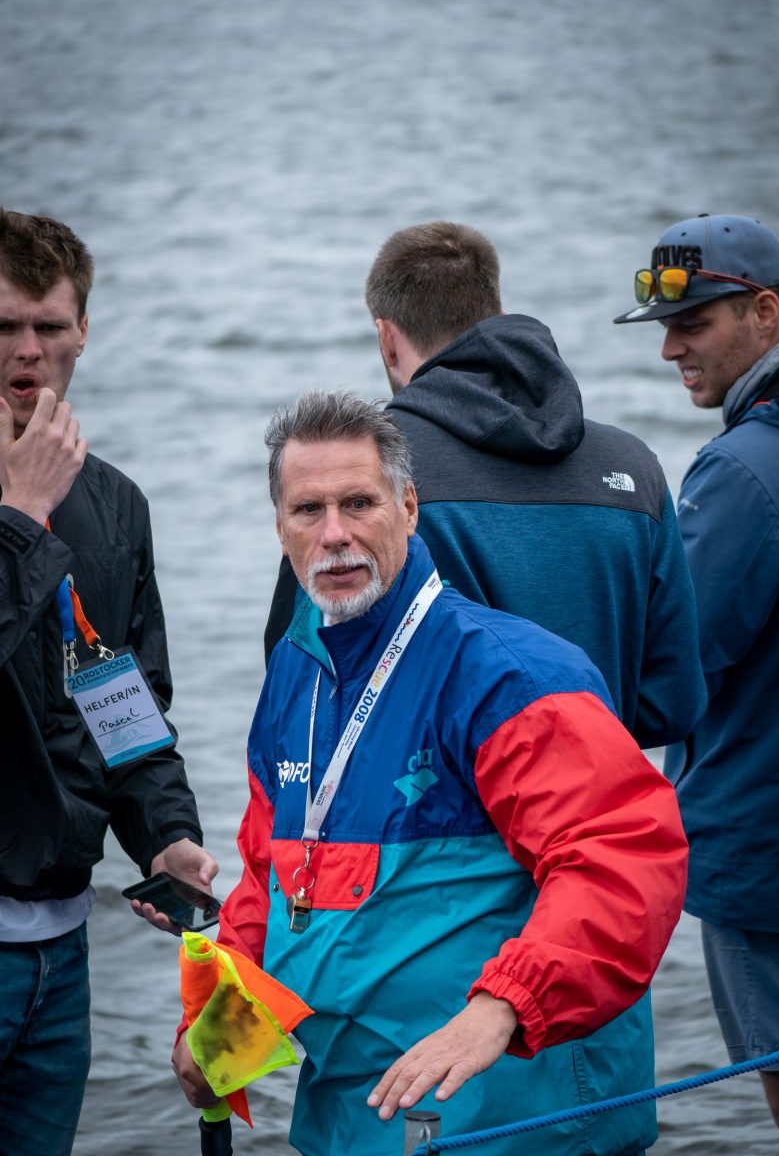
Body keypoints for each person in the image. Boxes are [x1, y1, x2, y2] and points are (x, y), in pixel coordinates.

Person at [174, 390, 688, 1156]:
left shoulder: (511, 675)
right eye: (308, 510)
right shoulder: (293, 670)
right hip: (352, 1114)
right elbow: (269, 879)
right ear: (279, 527)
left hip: (514, 1118)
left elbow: (622, 858)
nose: (335, 534)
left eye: (358, 503)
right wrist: (220, 1034)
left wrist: (501, 1007)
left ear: (408, 509)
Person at [265, 221, 706, 752]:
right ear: (494, 315)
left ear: (386, 338)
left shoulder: (365, 473)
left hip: (426, 802)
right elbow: (671, 705)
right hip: (594, 792)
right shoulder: (633, 466)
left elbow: (300, 682)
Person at [0, 208, 217, 1156]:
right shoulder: (37, 503)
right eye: (4, 325)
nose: (29, 350)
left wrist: (167, 834)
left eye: (49, 324)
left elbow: (121, 703)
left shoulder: (114, 503)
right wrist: (19, 517)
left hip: (59, 952)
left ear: (83, 330)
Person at [614, 212, 779, 1154]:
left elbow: (672, 665)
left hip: (770, 856)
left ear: (766, 313)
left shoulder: (742, 468)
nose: (669, 350)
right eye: (661, 327)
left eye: (691, 324)